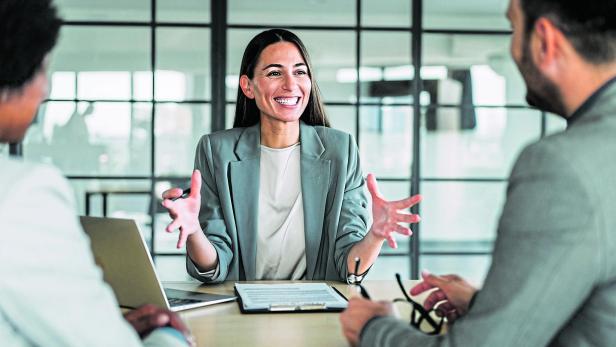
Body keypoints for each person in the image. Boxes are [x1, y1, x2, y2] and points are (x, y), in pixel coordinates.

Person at [340, 0, 616, 346]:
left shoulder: (563, 166)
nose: (512, 50)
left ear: (544, 40)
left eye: (514, 30)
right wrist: (484, 305)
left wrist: (373, 328)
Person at [0, 1, 193, 346]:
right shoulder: (22, 193)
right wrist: (162, 337)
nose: (45, 91)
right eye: (44, 69)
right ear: (17, 70)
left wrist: (109, 327)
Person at [161, 28, 422, 283]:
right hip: (240, 307)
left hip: (316, 309)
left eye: (300, 72)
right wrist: (194, 230)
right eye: (275, 73)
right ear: (248, 86)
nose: (290, 84)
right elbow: (214, 267)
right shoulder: (216, 151)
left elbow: (348, 267)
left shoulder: (340, 150)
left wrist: (374, 236)